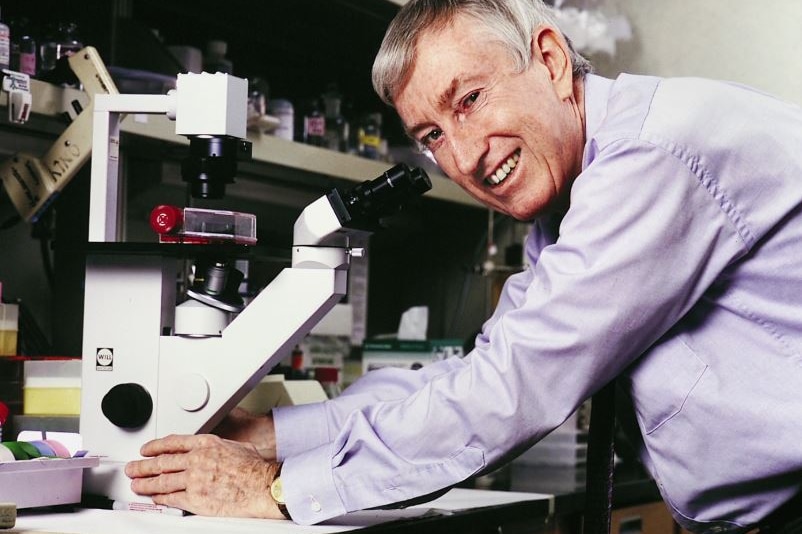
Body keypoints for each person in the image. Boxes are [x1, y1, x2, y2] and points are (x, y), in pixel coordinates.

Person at [125, 0, 802, 531]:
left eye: (469, 99)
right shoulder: (573, 203)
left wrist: (276, 490)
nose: (467, 155)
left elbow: (508, 391)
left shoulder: (653, 158)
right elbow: (477, 372)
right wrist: (273, 434)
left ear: (550, 60)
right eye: (432, 137)